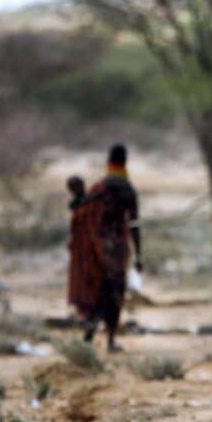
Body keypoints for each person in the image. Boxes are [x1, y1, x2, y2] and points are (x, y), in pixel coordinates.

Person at [67, 144, 142, 352]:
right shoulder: (128, 191)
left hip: (98, 247)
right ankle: (109, 341)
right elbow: (135, 225)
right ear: (125, 162)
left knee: (98, 289)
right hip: (118, 249)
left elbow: (80, 211)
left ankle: (89, 337)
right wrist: (139, 255)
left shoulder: (98, 189)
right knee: (115, 292)